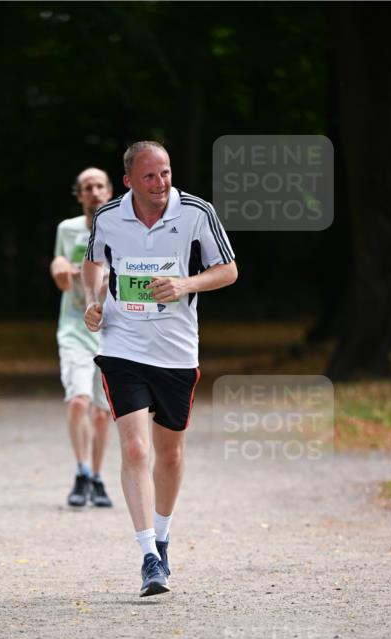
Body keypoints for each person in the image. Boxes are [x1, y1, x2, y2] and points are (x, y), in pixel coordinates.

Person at [81, 141, 238, 596]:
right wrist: (94, 303)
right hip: (122, 345)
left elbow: (228, 270)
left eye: (166, 173)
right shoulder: (109, 216)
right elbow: (92, 263)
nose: (161, 183)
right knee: (134, 450)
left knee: (168, 455)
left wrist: (185, 283)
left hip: (175, 352)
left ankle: (164, 535)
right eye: (150, 176)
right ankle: (149, 555)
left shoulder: (196, 212)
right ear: (129, 180)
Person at [50, 168, 114, 508]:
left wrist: (95, 281)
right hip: (74, 326)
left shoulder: (123, 228)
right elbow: (60, 267)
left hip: (111, 329)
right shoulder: (67, 229)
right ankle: (81, 470)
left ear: (110, 190)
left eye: (100, 186)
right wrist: (62, 270)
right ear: (80, 195)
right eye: (87, 188)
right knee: (78, 400)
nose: (94, 192)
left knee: (103, 413)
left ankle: (99, 477)